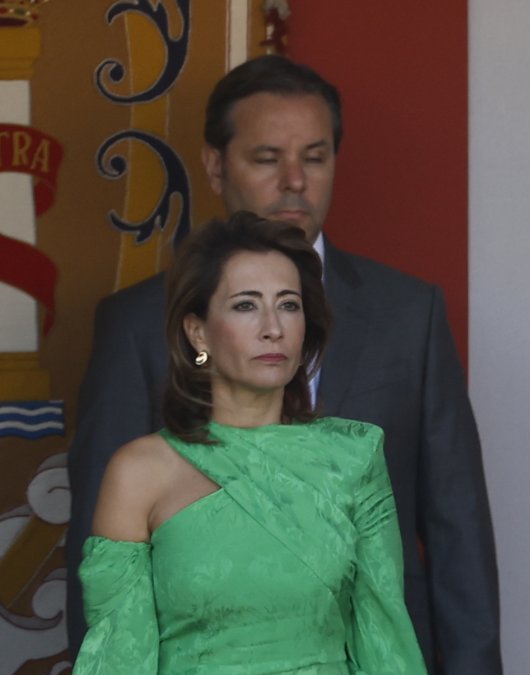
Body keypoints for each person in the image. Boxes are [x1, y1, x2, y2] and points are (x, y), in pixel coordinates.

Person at [66, 56, 501, 674]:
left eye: (315, 157)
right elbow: (102, 572)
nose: (294, 180)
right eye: (268, 158)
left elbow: (458, 526)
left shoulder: (410, 312)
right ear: (216, 165)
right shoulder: (135, 321)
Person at [74, 212, 427, 673]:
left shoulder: (352, 457)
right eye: (245, 305)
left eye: (288, 304)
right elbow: (117, 658)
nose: (272, 327)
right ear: (197, 330)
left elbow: (385, 644)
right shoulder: (139, 472)